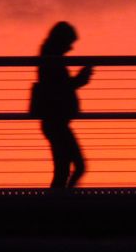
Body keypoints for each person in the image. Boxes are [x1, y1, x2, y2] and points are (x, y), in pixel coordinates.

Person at [30, 21, 94, 190]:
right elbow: (59, 88)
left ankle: (61, 200)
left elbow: (58, 86)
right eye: (69, 43)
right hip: (56, 122)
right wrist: (80, 80)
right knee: (76, 166)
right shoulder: (51, 59)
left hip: (54, 122)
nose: (70, 48)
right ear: (62, 40)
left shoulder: (48, 56)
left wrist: (78, 81)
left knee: (63, 169)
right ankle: (63, 200)